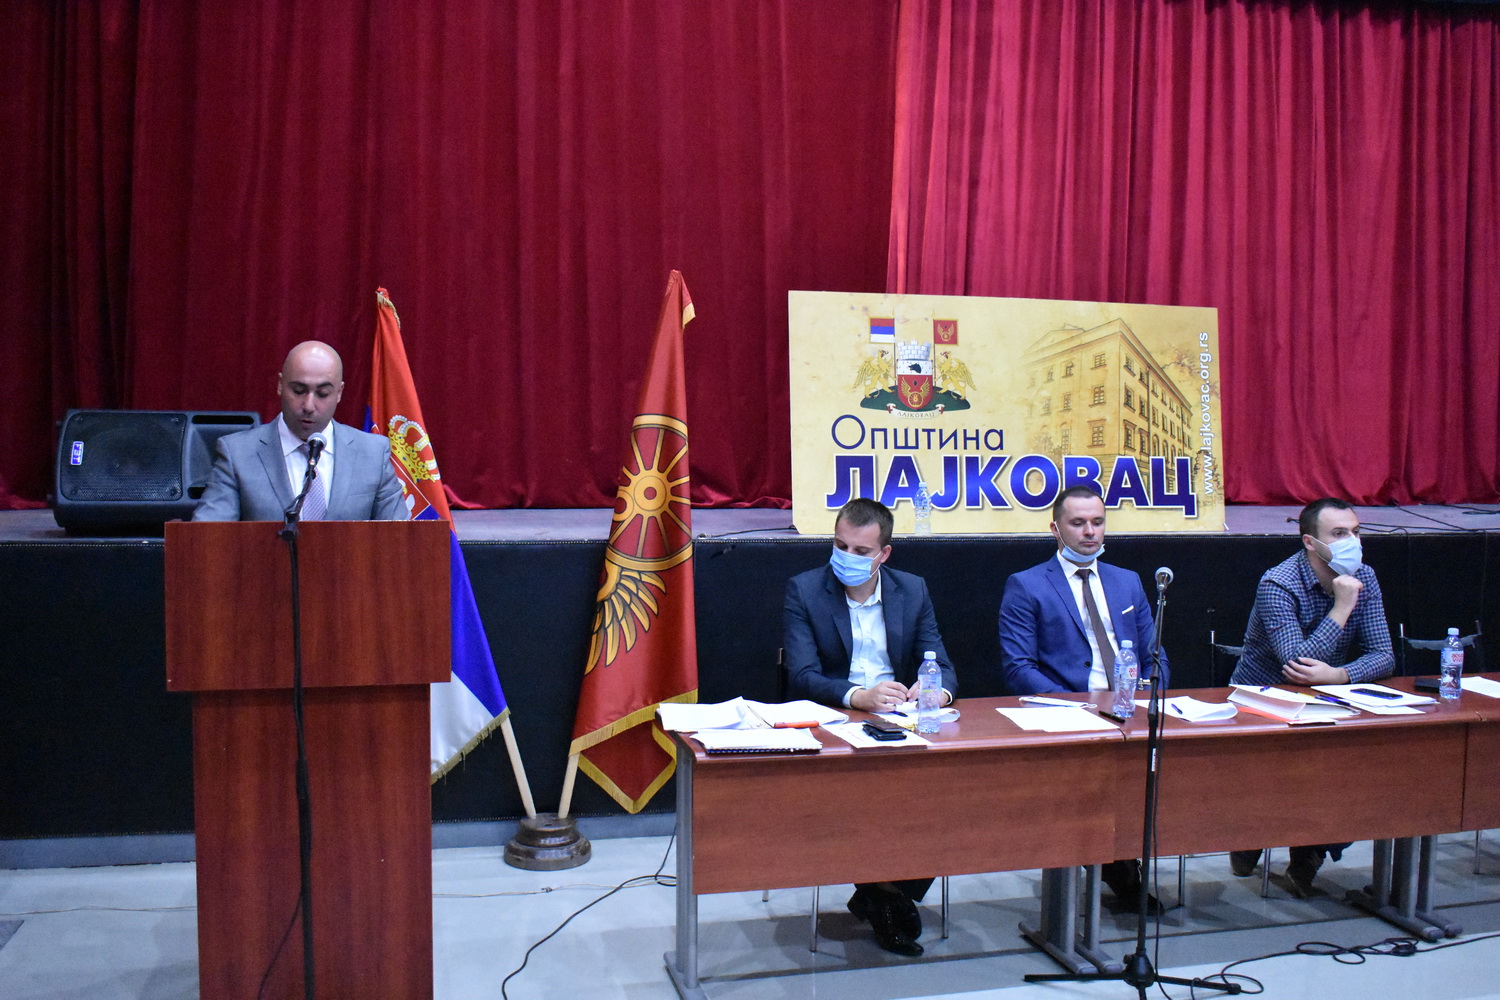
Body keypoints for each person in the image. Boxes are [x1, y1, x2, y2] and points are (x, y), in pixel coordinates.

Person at [783, 497, 957, 957]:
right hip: (833, 722)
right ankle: (885, 893)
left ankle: (884, 891)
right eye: (840, 546)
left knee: (945, 786)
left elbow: (941, 664)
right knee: (872, 792)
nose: (847, 557)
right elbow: (801, 675)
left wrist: (935, 692)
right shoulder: (805, 589)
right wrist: (857, 696)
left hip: (898, 722)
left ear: (884, 554)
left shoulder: (912, 590)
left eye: (861, 551)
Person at [997, 485, 1169, 913]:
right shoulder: (1027, 584)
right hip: (1067, 715)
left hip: (1129, 710)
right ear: (1055, 529)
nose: (1090, 532)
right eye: (1078, 523)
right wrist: (1081, 707)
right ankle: (1115, 868)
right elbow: (1018, 668)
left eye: (1097, 522)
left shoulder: (1127, 582)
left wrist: (1149, 693)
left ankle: (1122, 860)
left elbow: (1155, 655)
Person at [1227, 497, 1394, 896]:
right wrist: (1341, 607)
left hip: (1330, 699)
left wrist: (1340, 675)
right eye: (1339, 534)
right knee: (1283, 777)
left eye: (1356, 532)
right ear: (1310, 542)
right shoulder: (1278, 583)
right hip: (1264, 701)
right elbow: (1296, 665)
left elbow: (1384, 655)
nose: (1352, 542)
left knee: (1363, 763)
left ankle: (1310, 851)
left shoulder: (1365, 577)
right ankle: (1251, 834)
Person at [193, 341, 405, 522]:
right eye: (298, 391)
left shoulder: (372, 454)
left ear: (339, 392)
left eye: (323, 393)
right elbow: (207, 539)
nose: (309, 406)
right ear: (280, 385)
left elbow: (400, 540)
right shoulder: (238, 454)